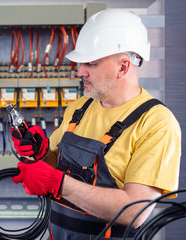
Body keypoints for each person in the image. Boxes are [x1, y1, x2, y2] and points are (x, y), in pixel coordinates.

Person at [11, 9, 181, 239]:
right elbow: (58, 169)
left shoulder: (156, 123)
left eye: (91, 63)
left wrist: (58, 184)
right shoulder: (80, 108)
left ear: (123, 67)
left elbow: (135, 211)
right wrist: (41, 153)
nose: (80, 71)